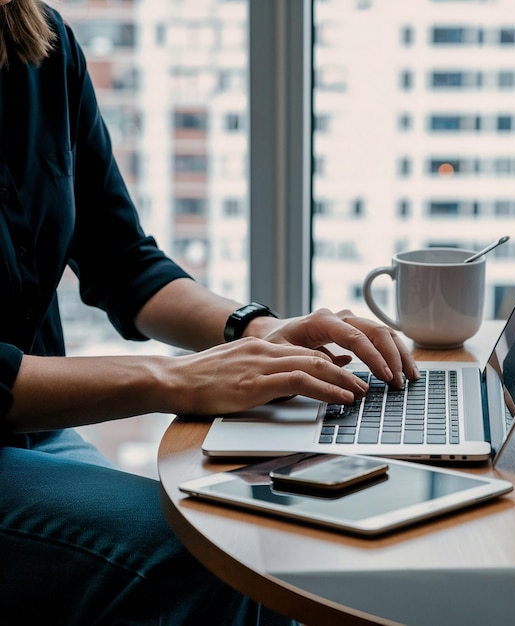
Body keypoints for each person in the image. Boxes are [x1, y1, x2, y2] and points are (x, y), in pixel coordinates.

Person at [0, 1, 418, 623]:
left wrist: (261, 331)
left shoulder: (43, 40)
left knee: (273, 532)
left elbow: (125, 265)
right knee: (215, 563)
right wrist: (175, 382)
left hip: (37, 436)